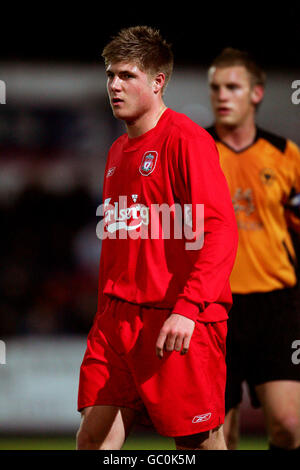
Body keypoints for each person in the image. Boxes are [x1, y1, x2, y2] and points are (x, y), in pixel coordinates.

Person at [76, 26, 238, 451]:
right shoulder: (116, 152)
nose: (114, 85)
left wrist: (188, 309)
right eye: (110, 75)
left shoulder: (187, 140)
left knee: (198, 442)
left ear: (157, 81)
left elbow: (221, 229)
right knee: (93, 438)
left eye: (127, 75)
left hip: (176, 318)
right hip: (115, 322)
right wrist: (103, 315)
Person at [206, 47, 300, 450]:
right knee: (220, 435)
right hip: (212, 306)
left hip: (276, 305)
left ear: (256, 94)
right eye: (215, 87)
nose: (222, 95)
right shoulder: (196, 151)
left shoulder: (286, 155)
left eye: (232, 87)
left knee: (289, 425)